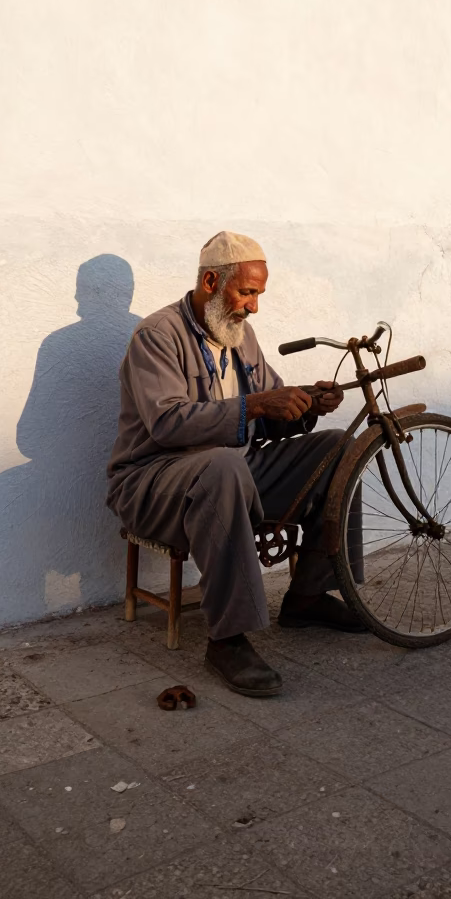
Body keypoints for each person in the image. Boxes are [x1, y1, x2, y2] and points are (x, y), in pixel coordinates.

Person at [107, 231, 365, 697]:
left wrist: (305, 405)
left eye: (258, 295)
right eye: (247, 293)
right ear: (211, 281)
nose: (253, 307)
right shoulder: (157, 335)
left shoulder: (241, 338)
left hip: (231, 472)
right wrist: (259, 406)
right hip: (154, 482)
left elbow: (266, 419)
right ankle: (226, 638)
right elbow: (167, 424)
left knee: (339, 449)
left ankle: (309, 596)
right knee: (223, 467)